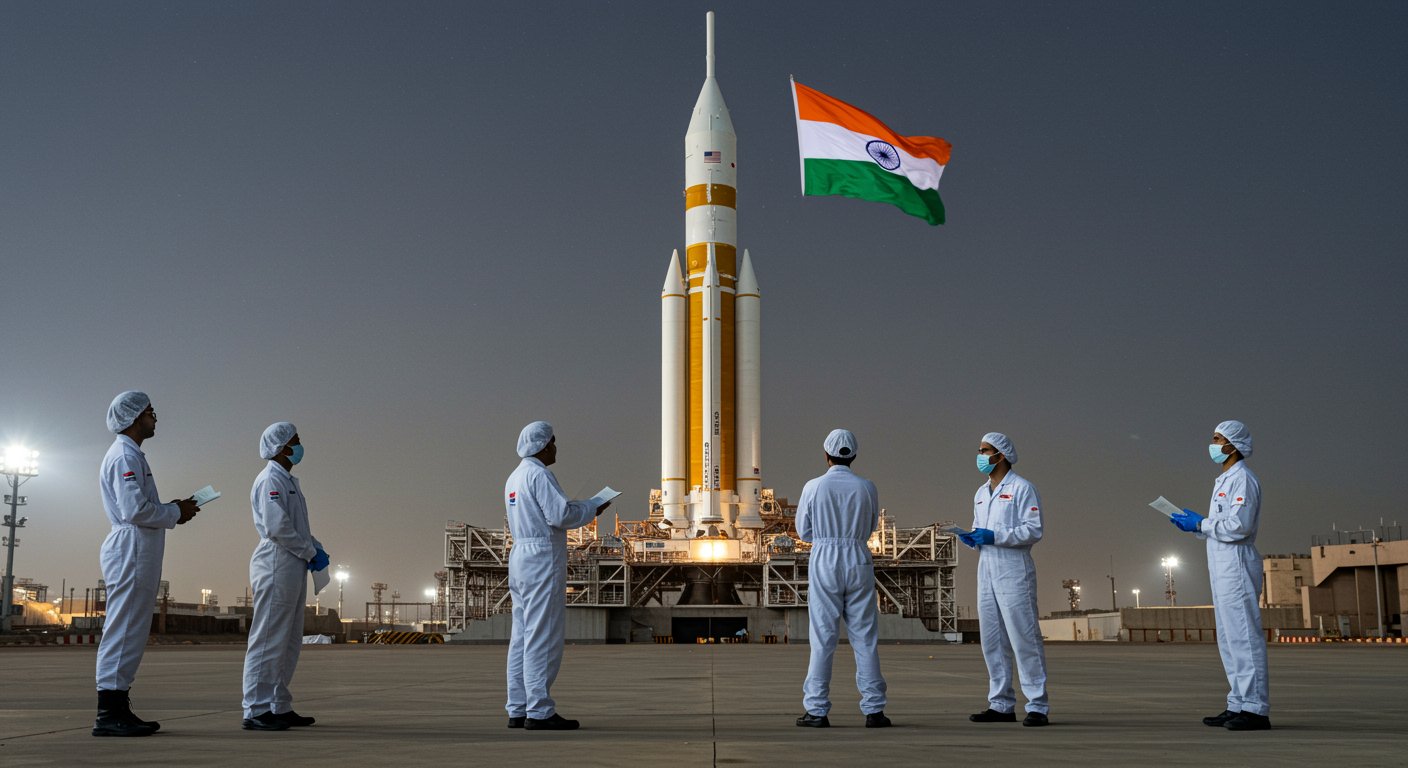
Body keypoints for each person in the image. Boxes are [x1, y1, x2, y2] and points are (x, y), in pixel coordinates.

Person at [93, 391, 200, 737]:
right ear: (135, 417)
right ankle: (110, 712)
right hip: (132, 548)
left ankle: (117, 705)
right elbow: (134, 510)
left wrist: (171, 508)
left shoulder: (132, 454)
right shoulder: (125, 455)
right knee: (124, 629)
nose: (156, 417)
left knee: (131, 629)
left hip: (138, 548)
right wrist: (175, 512)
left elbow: (139, 505)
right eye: (151, 412)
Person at [504, 421, 611, 731]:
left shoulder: (515, 476)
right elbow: (560, 515)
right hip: (541, 559)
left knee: (522, 637)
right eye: (554, 442)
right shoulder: (540, 474)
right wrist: (593, 507)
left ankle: (518, 707)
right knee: (543, 636)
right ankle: (539, 711)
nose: (556, 448)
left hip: (521, 557)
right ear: (544, 445)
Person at [1170, 420, 1270, 731]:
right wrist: (1198, 526)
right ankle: (1237, 701)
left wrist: (1202, 524)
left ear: (1233, 444)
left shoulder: (1244, 480)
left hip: (1237, 566)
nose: (1212, 443)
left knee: (1244, 638)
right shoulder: (1225, 480)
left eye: (1218, 438)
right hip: (1221, 566)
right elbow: (1222, 526)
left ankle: (1256, 708)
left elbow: (1239, 526)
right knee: (1228, 639)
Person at [794, 429, 890, 729]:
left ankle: (817, 709)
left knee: (823, 638)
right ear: (854, 455)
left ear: (826, 454)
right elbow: (872, 525)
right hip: (859, 557)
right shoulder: (867, 487)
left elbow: (803, 532)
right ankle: (874, 710)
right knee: (865, 638)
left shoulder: (813, 487)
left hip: (825, 558)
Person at [241, 422, 329, 731]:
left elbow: (297, 527)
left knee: (289, 639)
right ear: (282, 447)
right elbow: (278, 528)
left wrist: (314, 547)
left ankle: (278, 703)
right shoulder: (270, 480)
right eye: (296, 441)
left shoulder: (288, 480)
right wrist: (309, 551)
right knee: (269, 638)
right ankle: (256, 708)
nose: (300, 446)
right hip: (277, 562)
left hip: (293, 563)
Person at [959, 432, 1049, 727]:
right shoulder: (981, 492)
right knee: (992, 639)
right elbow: (978, 526)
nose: (980, 455)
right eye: (980, 450)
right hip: (986, 568)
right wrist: (972, 537)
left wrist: (996, 536)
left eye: (985, 451)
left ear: (1002, 454)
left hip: (1014, 569)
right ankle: (1000, 704)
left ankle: (1037, 705)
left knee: (1024, 637)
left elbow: (1033, 530)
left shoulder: (1023, 488)